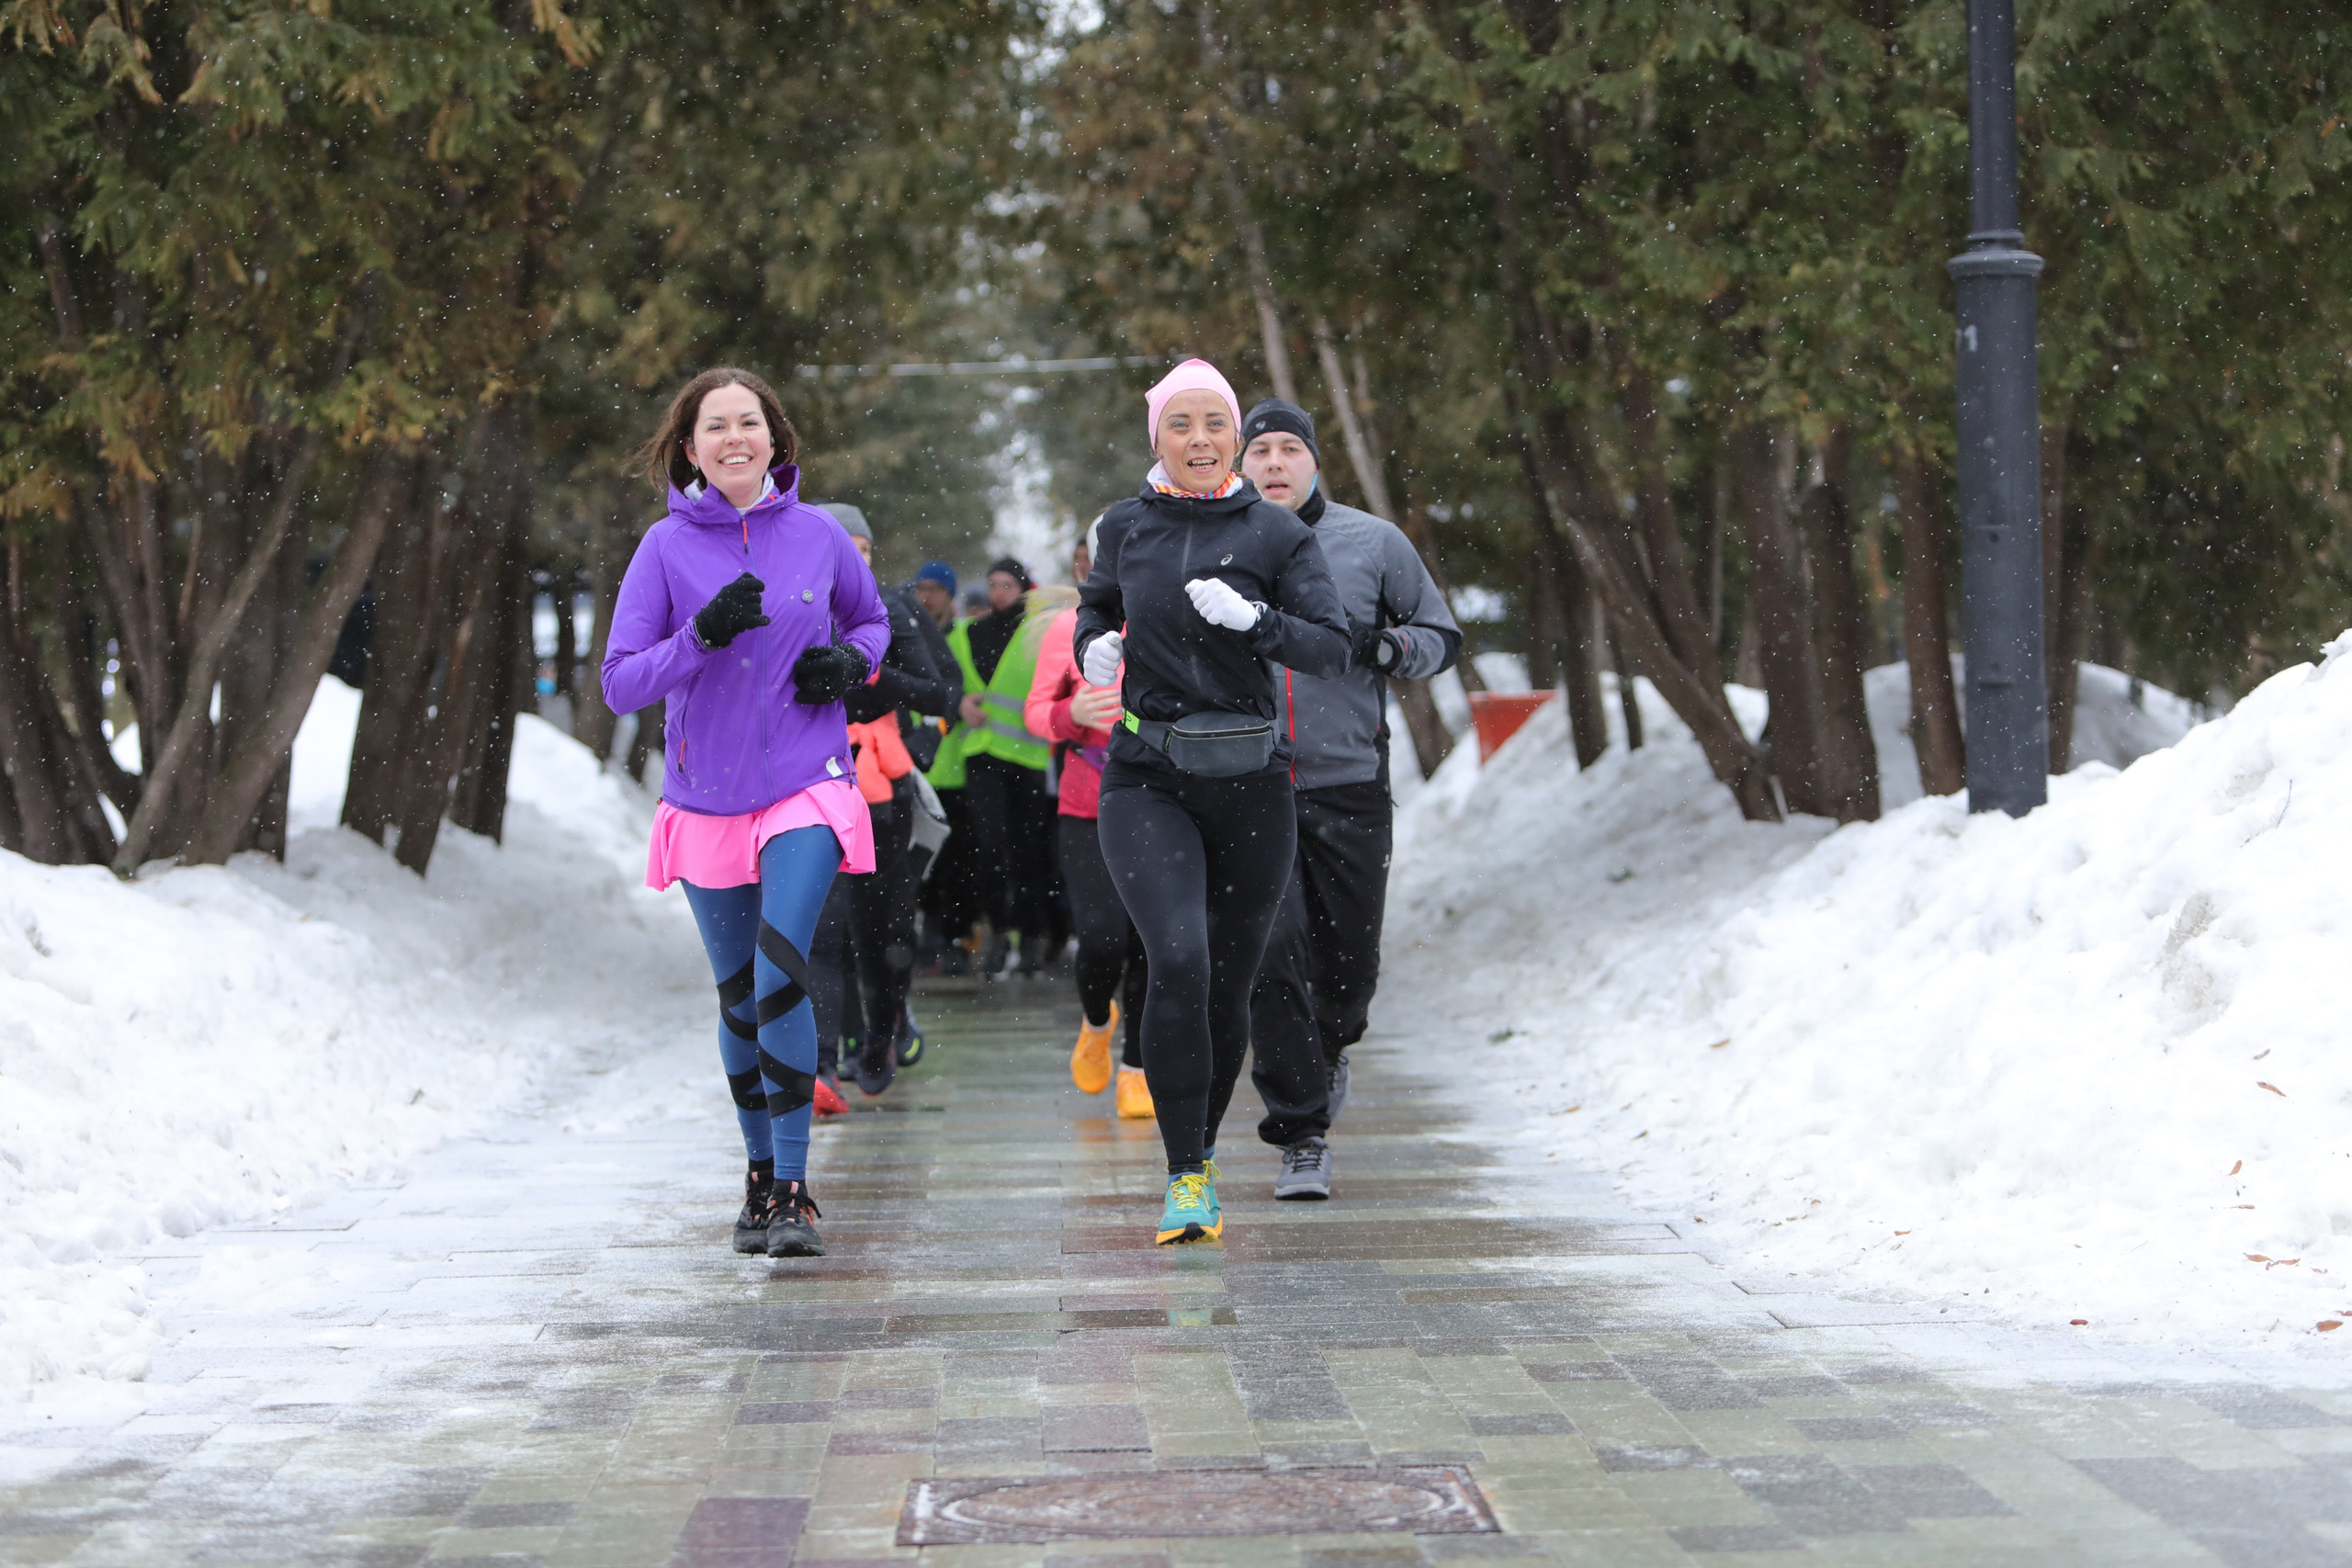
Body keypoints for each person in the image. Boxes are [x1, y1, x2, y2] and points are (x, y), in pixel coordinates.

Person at [603, 367, 890, 1260]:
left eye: (749, 423)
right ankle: (760, 1175)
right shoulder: (662, 550)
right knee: (737, 999)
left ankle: (798, 1189)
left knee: (778, 974)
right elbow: (619, 682)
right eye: (715, 427)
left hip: (808, 780)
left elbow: (872, 624)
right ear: (689, 447)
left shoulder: (815, 535)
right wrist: (699, 639)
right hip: (707, 799)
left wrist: (847, 666)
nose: (735, 438)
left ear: (775, 438)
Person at [1073, 358, 1350, 1246]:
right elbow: (1096, 607)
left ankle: (1202, 1159)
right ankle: (1185, 1175)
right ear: (1155, 434)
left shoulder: (1275, 534)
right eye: (1180, 423)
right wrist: (1094, 651)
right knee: (1179, 958)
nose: (1199, 439)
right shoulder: (1124, 526)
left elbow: (1332, 647)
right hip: (1147, 775)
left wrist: (1253, 623)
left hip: (1252, 783)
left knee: (1230, 981)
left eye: (1215, 424)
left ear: (1234, 435)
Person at [1237, 399, 1461, 1201]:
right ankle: (1300, 1130)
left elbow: (1439, 633)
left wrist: (1388, 645)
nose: (1272, 463)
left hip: (1349, 783)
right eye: (1257, 448)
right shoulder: (1217, 545)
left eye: (1288, 448)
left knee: (1348, 964)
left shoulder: (1373, 543)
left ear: (1314, 462)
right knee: (1271, 952)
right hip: (1249, 786)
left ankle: (1331, 1044)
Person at [807, 503, 965, 1100]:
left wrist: (907, 731)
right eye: (838, 546)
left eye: (863, 549)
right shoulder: (788, 607)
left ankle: (880, 1029)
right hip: (809, 787)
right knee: (824, 931)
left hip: (882, 794)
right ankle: (821, 1062)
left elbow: (943, 690)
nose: (851, 559)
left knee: (882, 932)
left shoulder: (892, 609)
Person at [1025, 519, 1153, 1120]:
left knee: (1156, 941)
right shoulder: (1065, 627)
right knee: (1103, 938)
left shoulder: (1173, 615)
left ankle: (1137, 1067)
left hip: (1164, 802)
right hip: (1087, 803)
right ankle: (1097, 1020)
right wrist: (1071, 713)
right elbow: (1035, 714)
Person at [945, 558, 1057, 976]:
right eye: (993, 584)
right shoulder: (965, 633)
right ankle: (997, 932)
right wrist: (957, 702)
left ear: (1025, 588)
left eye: (1007, 584)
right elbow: (946, 679)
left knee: (1030, 851)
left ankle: (1031, 936)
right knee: (989, 848)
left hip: (1028, 757)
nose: (998, 593)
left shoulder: (1041, 634)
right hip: (981, 756)